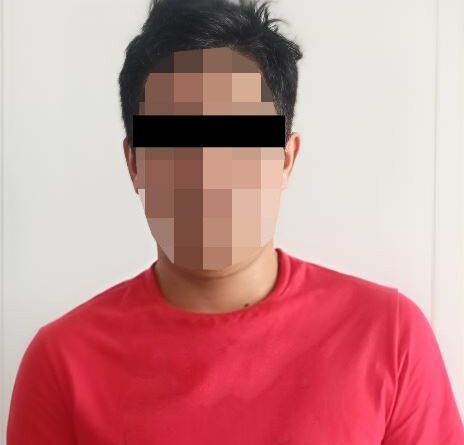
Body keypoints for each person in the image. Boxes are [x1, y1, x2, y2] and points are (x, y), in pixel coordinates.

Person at [7, 0, 464, 443]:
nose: (208, 170)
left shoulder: (389, 338)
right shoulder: (63, 362)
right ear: (134, 165)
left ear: (285, 159)